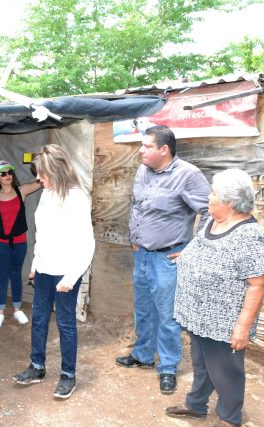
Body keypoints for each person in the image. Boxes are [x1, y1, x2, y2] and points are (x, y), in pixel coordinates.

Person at [165, 168, 264, 427]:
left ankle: (230, 418)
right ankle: (196, 405)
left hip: (223, 323)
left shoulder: (247, 236)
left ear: (230, 202)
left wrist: (242, 327)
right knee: (202, 364)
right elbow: (206, 248)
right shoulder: (214, 220)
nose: (208, 197)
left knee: (226, 371)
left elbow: (258, 283)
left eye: (213, 193)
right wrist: (188, 258)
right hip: (199, 316)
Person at [115, 125, 210, 395]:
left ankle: (168, 366)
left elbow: (211, 211)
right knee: (143, 310)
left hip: (168, 257)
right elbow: (136, 205)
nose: (140, 151)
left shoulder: (188, 175)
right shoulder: (143, 171)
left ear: (164, 150)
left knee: (167, 316)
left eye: (147, 146)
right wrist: (134, 236)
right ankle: (143, 354)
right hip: (142, 255)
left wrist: (194, 249)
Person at [12, 144, 95, 399]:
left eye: (42, 173)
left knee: (65, 322)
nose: (38, 179)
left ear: (57, 170)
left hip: (66, 271)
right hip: (45, 268)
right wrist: (35, 266)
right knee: (38, 319)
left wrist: (71, 277)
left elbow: (87, 243)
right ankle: (37, 367)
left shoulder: (76, 197)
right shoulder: (47, 194)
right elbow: (42, 235)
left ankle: (68, 374)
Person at [0, 160, 42, 329]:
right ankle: (0, 312)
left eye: (10, 172)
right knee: (2, 275)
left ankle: (17, 310)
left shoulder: (21, 191)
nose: (7, 175)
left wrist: (43, 165)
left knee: (16, 274)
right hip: (0, 243)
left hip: (19, 241)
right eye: (3, 173)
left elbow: (41, 181)